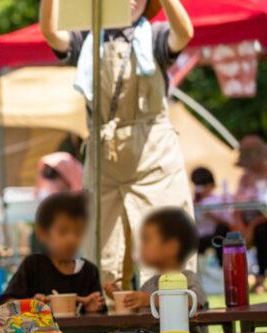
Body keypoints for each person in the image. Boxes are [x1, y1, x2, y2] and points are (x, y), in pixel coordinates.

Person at [40, 0, 195, 286]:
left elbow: (184, 33)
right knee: (104, 258)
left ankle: (173, 324)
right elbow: (50, 32)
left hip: (155, 161)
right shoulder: (86, 40)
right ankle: (111, 328)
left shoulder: (157, 35)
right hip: (104, 160)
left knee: (167, 256)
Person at [0, 192, 104, 312]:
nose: (72, 239)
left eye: (78, 232)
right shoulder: (33, 266)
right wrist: (29, 305)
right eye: (63, 231)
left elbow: (101, 321)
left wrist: (92, 310)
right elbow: (4, 306)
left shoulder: (89, 272)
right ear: (42, 233)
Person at [105, 207, 207, 311]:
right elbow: (139, 311)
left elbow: (194, 302)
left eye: (146, 240)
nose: (141, 246)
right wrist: (119, 295)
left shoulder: (188, 278)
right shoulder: (149, 285)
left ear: (171, 247)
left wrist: (151, 301)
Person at [233, 136, 267, 292]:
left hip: (261, 222)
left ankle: (260, 276)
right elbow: (237, 206)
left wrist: (252, 227)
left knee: (262, 233)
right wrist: (240, 226)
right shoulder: (245, 178)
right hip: (247, 223)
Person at [192, 167, 232, 266]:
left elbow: (227, 222)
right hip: (198, 238)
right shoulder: (192, 202)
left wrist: (207, 213)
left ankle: (222, 264)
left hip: (215, 236)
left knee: (222, 231)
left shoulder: (219, 200)